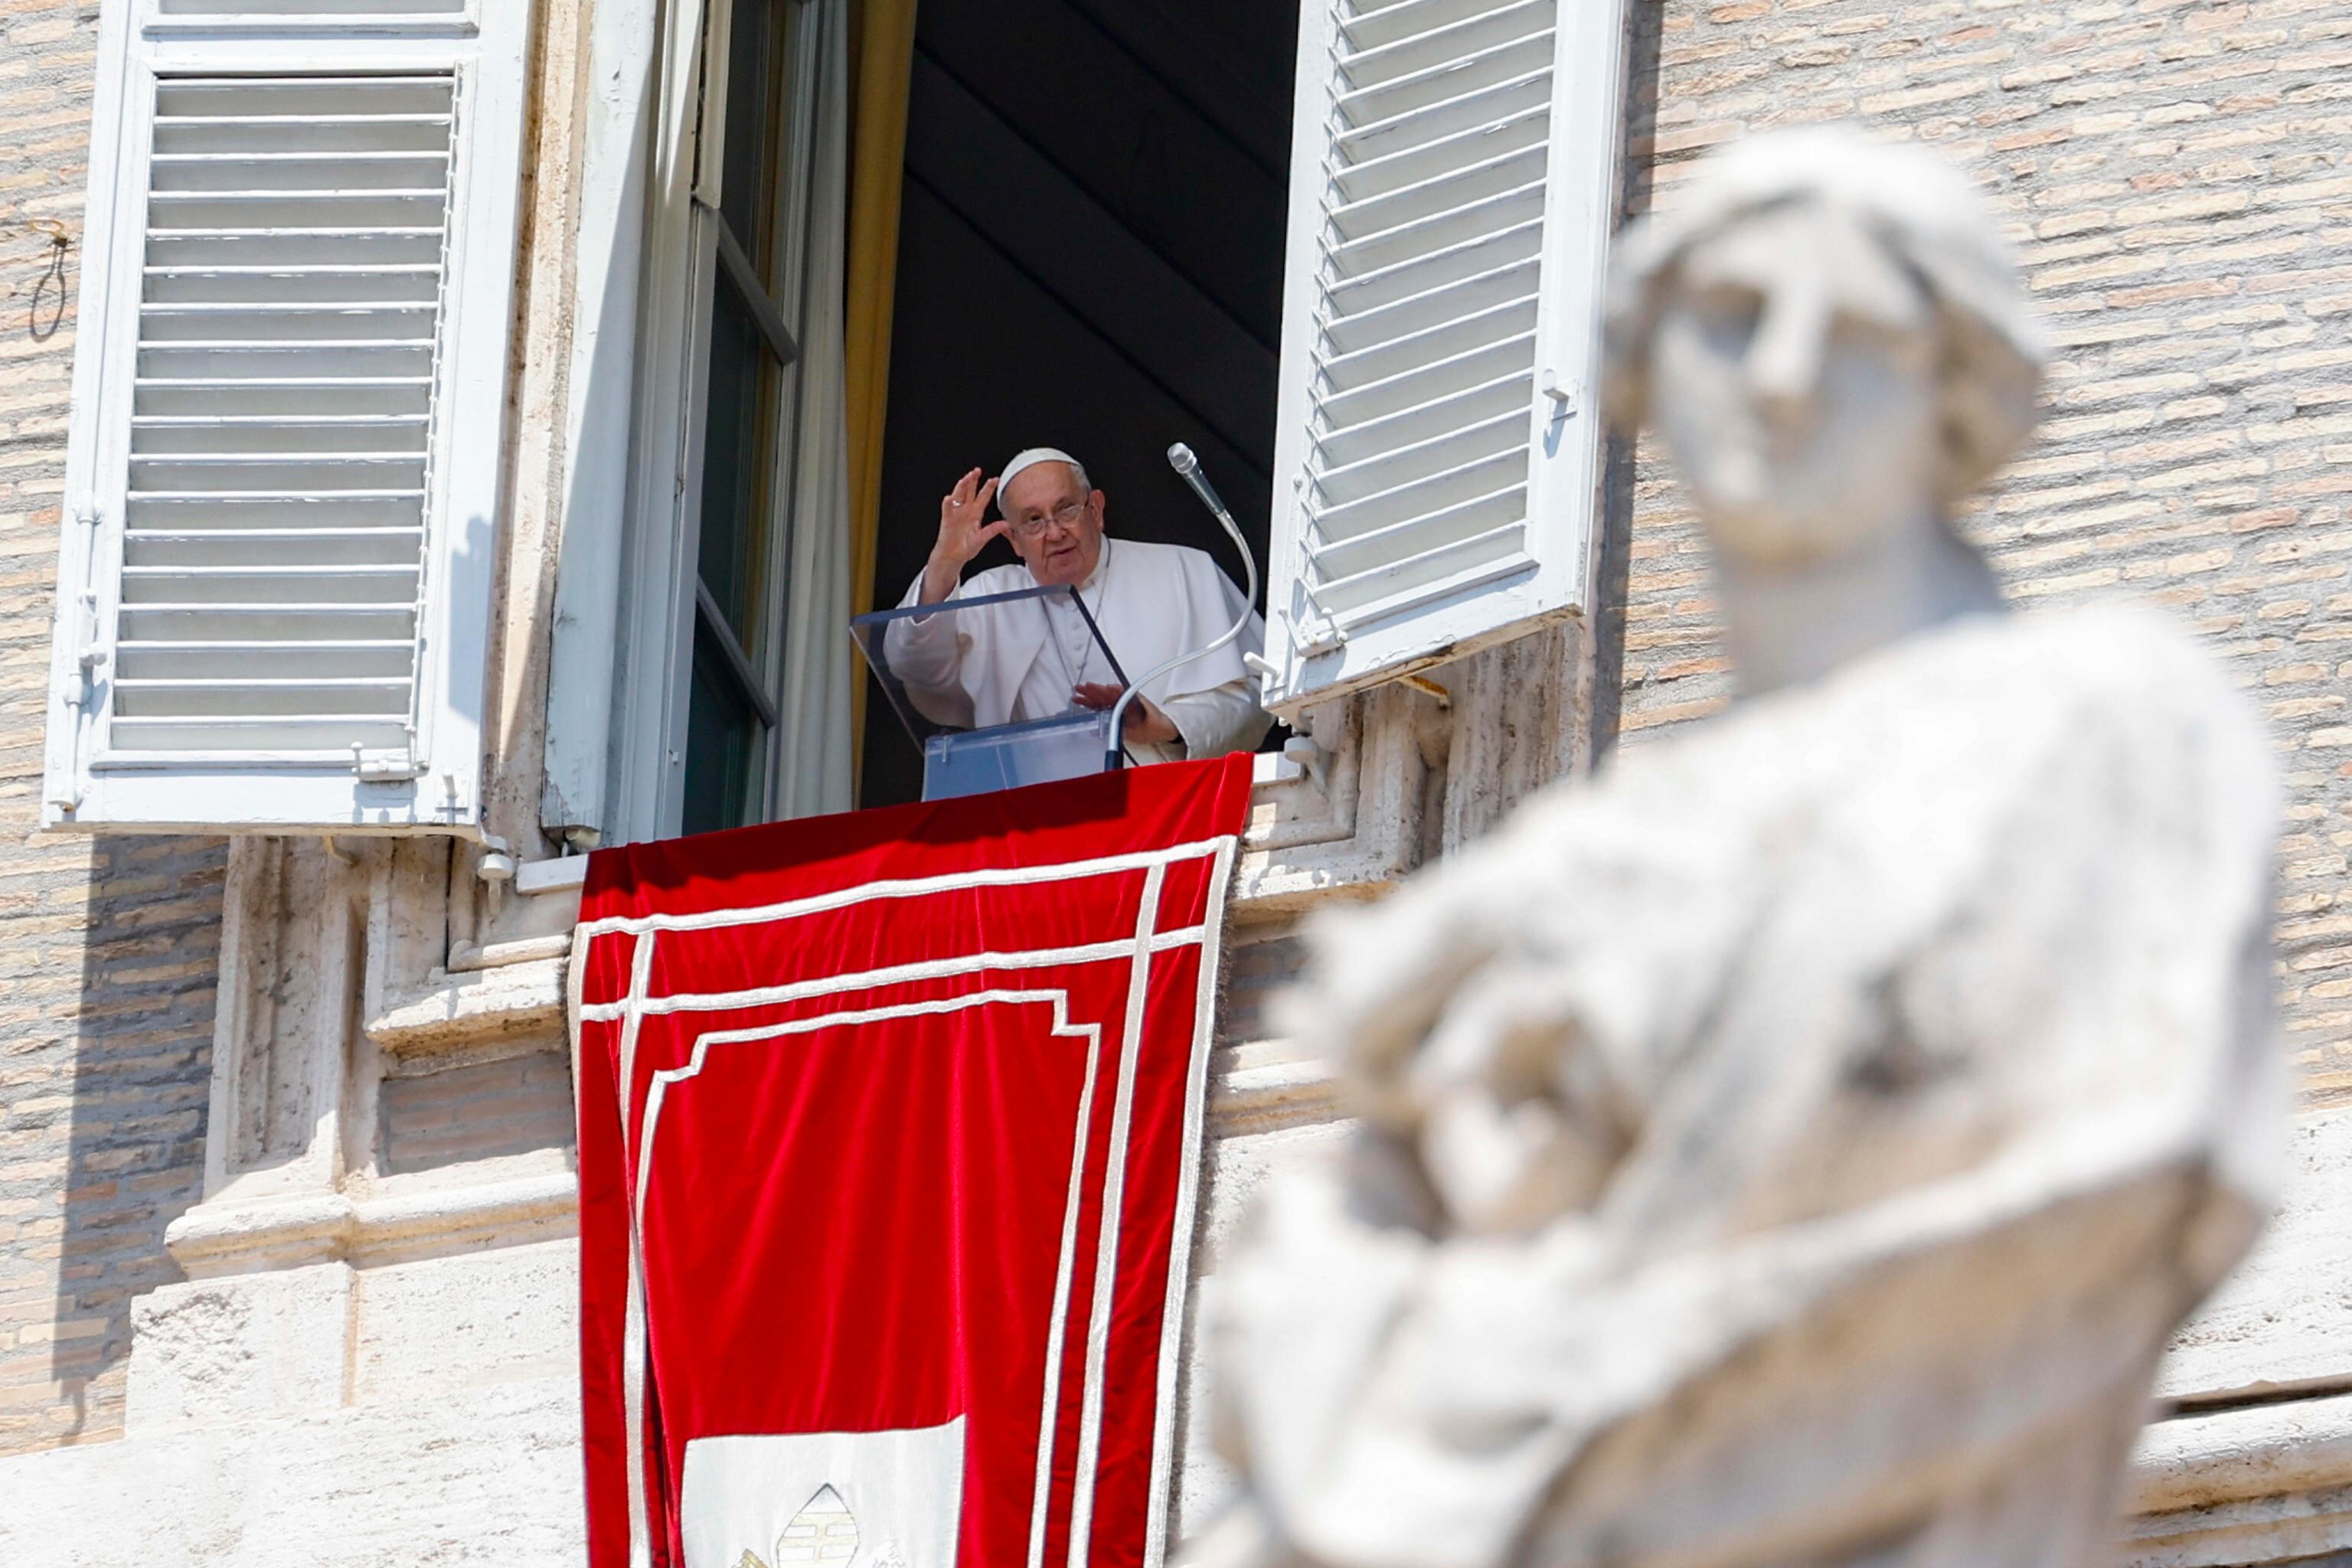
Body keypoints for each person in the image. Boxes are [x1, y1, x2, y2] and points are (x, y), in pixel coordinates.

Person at [884, 447, 1272, 764]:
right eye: (1033, 520)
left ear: (1096, 510)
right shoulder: (991, 596)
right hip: (1032, 820)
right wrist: (945, 564)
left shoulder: (1184, 569)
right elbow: (914, 667)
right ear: (1015, 541)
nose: (1055, 532)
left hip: (1164, 810)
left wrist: (1162, 724)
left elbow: (1258, 696)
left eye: (1066, 509)